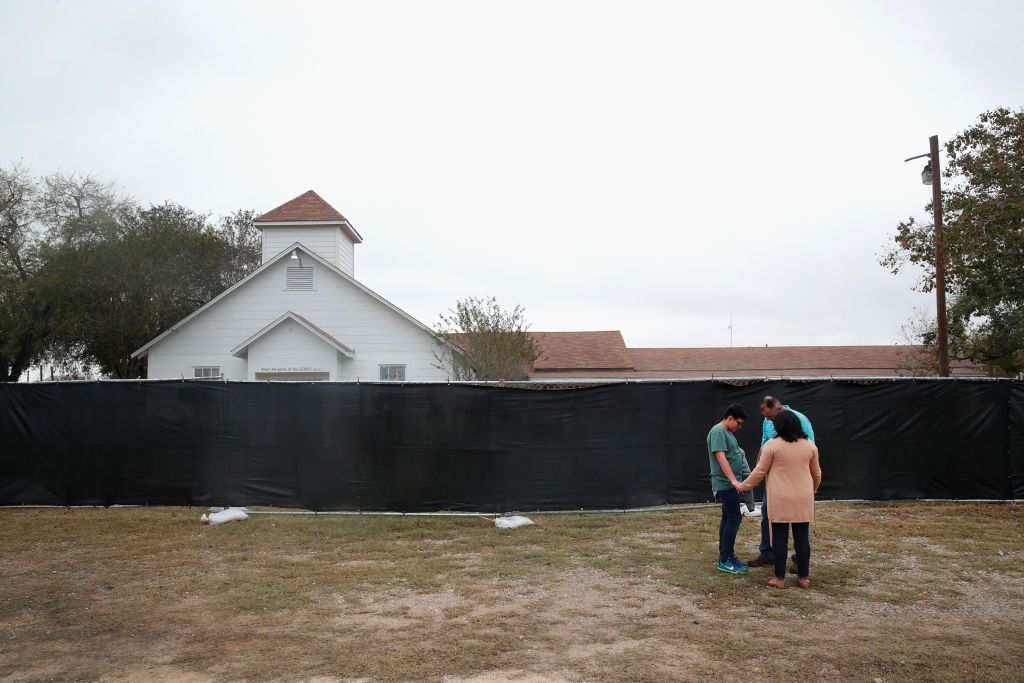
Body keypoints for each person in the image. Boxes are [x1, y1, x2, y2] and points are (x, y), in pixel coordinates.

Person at [737, 410, 822, 588]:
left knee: (780, 538)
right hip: (803, 498)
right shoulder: (809, 446)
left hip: (780, 499)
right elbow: (817, 473)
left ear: (779, 426)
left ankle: (780, 579)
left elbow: (759, 472)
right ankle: (804, 578)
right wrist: (813, 489)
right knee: (802, 538)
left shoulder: (772, 445)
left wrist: (743, 486)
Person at [748, 396, 816, 570]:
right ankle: (768, 553)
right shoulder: (767, 422)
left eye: (770, 417)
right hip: (776, 483)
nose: (769, 420)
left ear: (778, 408)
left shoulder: (800, 419)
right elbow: (764, 446)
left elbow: (809, 449)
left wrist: (811, 486)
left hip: (796, 481)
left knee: (798, 523)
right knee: (767, 514)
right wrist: (758, 472)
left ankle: (798, 560)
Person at [707, 403, 749, 574]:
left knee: (729, 518)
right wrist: (734, 481)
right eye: (738, 423)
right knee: (733, 518)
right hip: (725, 484)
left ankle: (727, 556)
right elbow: (721, 457)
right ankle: (725, 559)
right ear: (730, 418)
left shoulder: (728, 433)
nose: (739, 427)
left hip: (731, 484)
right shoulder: (718, 431)